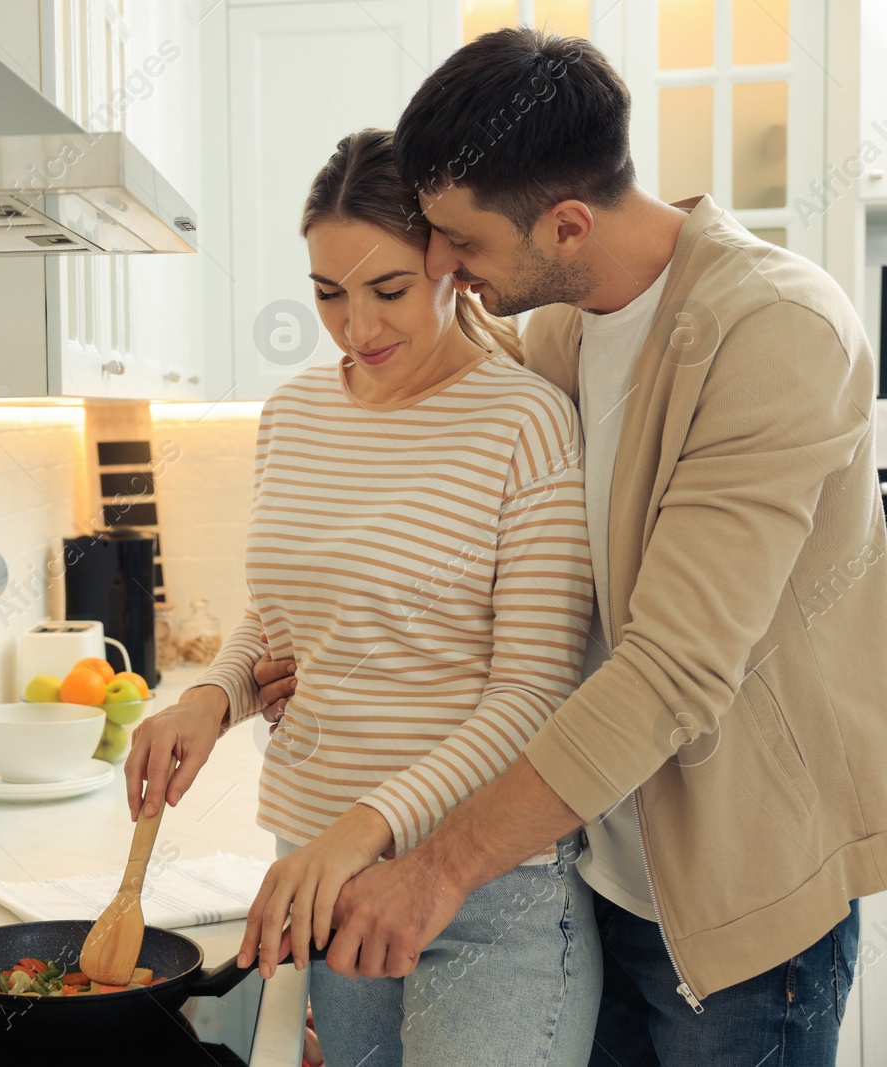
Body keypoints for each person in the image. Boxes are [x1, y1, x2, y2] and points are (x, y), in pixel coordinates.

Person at [249, 28, 882, 1065]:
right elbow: (497, 568)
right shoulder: (559, 331)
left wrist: (434, 867)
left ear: (567, 222)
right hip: (590, 868)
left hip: (727, 903)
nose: (440, 262)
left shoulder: (777, 328)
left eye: (460, 241)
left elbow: (671, 668)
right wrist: (332, 660)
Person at [125, 128, 601, 1066]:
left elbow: (533, 696)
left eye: (386, 291)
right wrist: (211, 697)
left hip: (485, 894)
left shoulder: (525, 421)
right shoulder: (292, 415)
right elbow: (284, 615)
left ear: (448, 265)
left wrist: (357, 832)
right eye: (328, 295)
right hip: (320, 886)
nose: (358, 328)